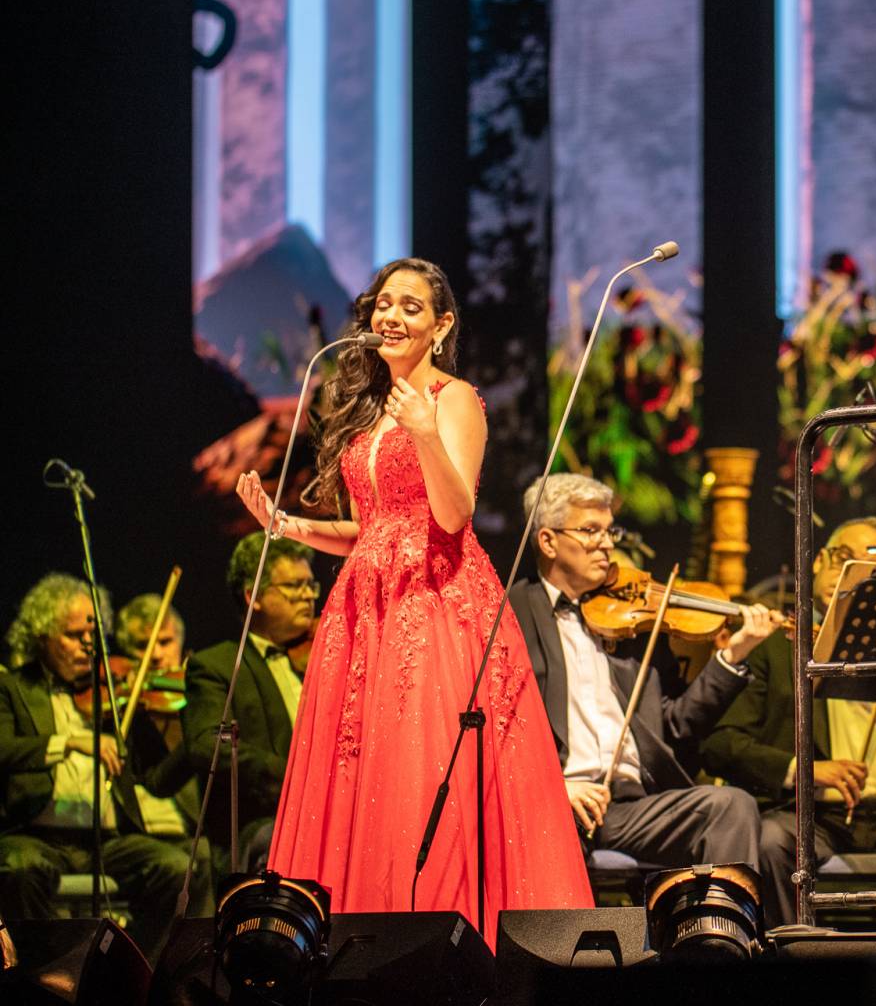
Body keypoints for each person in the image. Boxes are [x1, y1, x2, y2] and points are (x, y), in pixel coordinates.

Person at [234, 258, 590, 939]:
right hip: (363, 609)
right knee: (357, 780)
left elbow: (452, 515)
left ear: (441, 324)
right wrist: (289, 526)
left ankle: (434, 952)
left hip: (433, 606)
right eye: (383, 304)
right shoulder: (370, 411)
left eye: (411, 307)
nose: (391, 317)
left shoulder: (453, 399)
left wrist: (426, 432)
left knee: (419, 776)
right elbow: (375, 529)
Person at [505, 474, 770, 880]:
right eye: (591, 531)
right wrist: (553, 786)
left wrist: (733, 654)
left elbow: (676, 724)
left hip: (633, 805)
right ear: (547, 541)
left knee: (731, 806)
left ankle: (718, 939)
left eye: (610, 530)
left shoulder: (632, 625)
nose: (608, 544)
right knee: (548, 833)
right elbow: (496, 730)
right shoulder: (512, 614)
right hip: (554, 801)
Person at [702, 517, 876, 926]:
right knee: (773, 841)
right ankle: (788, 951)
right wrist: (804, 771)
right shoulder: (774, 647)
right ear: (816, 563)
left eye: (870, 571)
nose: (847, 575)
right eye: (841, 558)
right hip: (814, 816)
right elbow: (720, 744)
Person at [0, 574, 200, 954]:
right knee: (18, 867)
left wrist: (172, 726)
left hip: (105, 838)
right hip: (37, 834)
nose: (87, 645)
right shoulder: (13, 688)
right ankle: (41, 977)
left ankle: (133, 973)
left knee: (176, 869)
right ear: (41, 636)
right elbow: (4, 749)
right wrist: (68, 742)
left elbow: (154, 778)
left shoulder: (112, 688)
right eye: (74, 636)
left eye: (92, 635)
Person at [181, 533, 318, 872]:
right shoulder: (218, 666)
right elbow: (206, 745)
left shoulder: (324, 658)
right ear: (252, 595)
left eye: (311, 585)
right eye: (293, 586)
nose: (308, 596)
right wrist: (288, 773)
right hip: (261, 823)